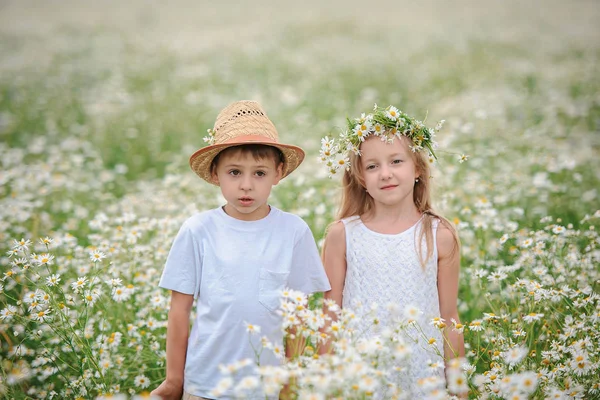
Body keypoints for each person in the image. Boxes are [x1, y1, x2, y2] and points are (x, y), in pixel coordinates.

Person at [151, 100, 331, 400]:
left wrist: (290, 379)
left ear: (278, 172)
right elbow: (179, 311)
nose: (246, 185)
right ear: (215, 174)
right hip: (205, 385)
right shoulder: (198, 230)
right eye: (234, 172)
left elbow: (298, 316)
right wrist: (174, 380)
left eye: (259, 173)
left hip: (267, 387)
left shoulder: (293, 231)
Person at [319, 105, 465, 397]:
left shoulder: (440, 235)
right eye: (372, 166)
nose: (385, 174)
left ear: (418, 169)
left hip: (422, 376)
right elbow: (330, 316)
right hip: (360, 376)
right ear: (360, 177)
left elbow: (449, 317)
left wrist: (459, 389)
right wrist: (325, 385)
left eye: (396, 161)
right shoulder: (342, 235)